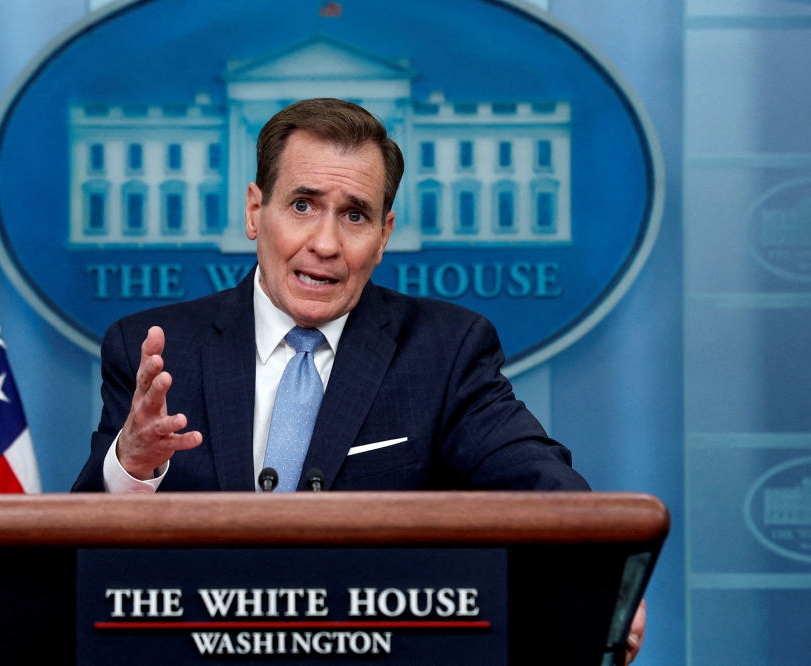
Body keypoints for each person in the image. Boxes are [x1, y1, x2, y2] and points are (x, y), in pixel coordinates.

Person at [72, 97, 644, 663]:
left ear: (384, 233)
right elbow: (78, 560)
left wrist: (604, 575)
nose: (325, 244)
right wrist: (132, 464)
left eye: (354, 216)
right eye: (302, 205)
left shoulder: (444, 351)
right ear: (254, 211)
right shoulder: (155, 352)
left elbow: (533, 474)